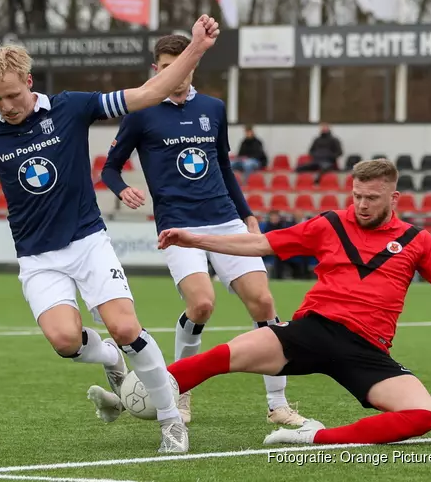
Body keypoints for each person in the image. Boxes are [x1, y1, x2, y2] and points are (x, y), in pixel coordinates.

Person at [0, 15, 222, 454]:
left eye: (13, 95)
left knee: (125, 327)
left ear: (30, 80)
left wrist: (195, 49)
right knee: (64, 341)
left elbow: (149, 92)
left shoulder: (72, 107)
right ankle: (113, 362)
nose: (6, 105)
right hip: (37, 256)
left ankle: (172, 421)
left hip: (87, 242)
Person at [89, 159, 431, 446]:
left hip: (367, 350)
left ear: (394, 198)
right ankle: (126, 400)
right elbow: (259, 242)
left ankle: (312, 438)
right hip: (311, 330)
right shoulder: (329, 223)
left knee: (422, 416)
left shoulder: (418, 241)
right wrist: (194, 237)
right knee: (219, 358)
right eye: (356, 194)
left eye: (371, 198)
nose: (360, 204)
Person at [98, 34, 306, 427]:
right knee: (202, 305)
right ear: (156, 69)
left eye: (185, 64)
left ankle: (277, 405)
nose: (176, 72)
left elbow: (224, 167)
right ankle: (182, 389)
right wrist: (122, 188)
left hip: (225, 219)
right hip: (178, 226)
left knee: (264, 304)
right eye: (166, 65)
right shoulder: (141, 110)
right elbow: (110, 166)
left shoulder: (213, 107)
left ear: (193, 66)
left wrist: (246, 215)